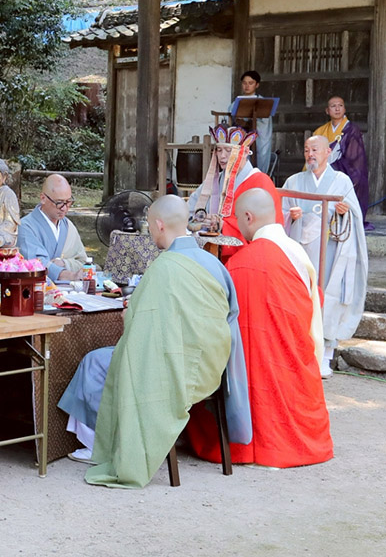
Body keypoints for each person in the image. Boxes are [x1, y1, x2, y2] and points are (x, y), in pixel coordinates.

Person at [58, 196, 250, 489]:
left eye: (149, 227)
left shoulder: (164, 268)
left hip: (173, 369)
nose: (150, 233)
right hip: (212, 365)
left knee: (94, 361)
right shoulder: (215, 264)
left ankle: (103, 445)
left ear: (159, 225)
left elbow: (139, 331)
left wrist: (128, 313)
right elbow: (229, 317)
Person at [186, 190, 334, 468]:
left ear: (248, 217)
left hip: (250, 370)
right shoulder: (297, 252)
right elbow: (313, 309)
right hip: (292, 365)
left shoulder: (240, 264)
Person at [282, 135, 369, 377]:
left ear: (328, 153)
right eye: (307, 150)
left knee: (327, 298)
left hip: (330, 248)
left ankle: (326, 355)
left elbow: (353, 214)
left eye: (316, 150)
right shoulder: (294, 181)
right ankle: (301, 354)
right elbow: (281, 211)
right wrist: (291, 215)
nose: (311, 154)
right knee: (301, 298)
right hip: (301, 249)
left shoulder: (341, 181)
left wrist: (343, 212)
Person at [187, 124, 282, 260]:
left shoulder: (259, 180)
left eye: (228, 150)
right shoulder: (215, 180)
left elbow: (264, 226)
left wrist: (222, 224)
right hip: (211, 252)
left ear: (244, 152)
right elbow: (192, 208)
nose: (222, 156)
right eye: (219, 150)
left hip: (248, 255)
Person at [18, 174, 88, 282]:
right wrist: (66, 275)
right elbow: (35, 263)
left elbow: (83, 261)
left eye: (68, 202)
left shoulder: (68, 226)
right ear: (43, 198)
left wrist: (65, 263)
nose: (64, 208)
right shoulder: (26, 226)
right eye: (59, 203)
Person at [313, 96, 370, 226]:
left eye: (340, 105)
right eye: (333, 106)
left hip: (345, 171)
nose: (337, 109)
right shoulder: (320, 131)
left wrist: (333, 167)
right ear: (327, 111)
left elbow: (354, 158)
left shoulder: (351, 130)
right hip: (324, 171)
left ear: (345, 109)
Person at [236, 71, 274, 174]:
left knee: (260, 155)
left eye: (251, 83)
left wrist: (251, 123)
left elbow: (265, 123)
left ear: (257, 85)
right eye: (244, 83)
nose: (247, 86)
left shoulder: (263, 103)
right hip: (242, 137)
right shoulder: (237, 101)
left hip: (258, 137)